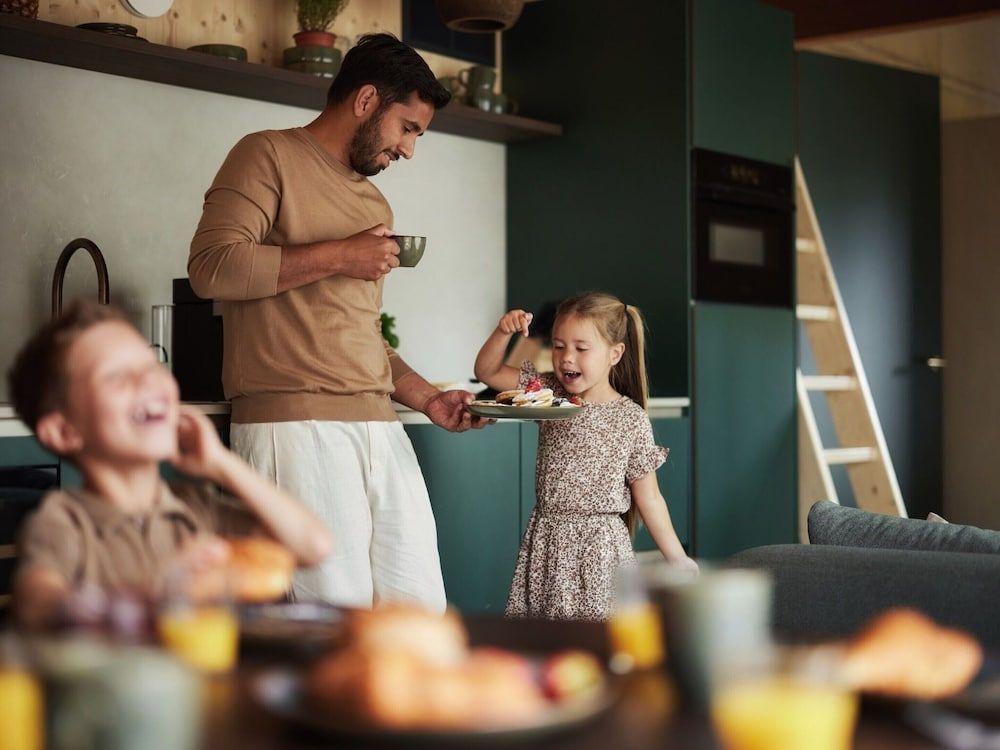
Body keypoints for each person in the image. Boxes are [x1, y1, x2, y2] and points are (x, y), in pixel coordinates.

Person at [187, 33, 487, 612]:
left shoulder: (375, 207)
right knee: (327, 627)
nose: (409, 150)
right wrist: (339, 255)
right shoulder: (266, 153)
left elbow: (360, 330)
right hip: (294, 426)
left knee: (419, 617)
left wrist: (428, 399)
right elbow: (211, 267)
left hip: (379, 425)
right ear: (368, 100)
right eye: (409, 128)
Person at [6, 301, 334, 629]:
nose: (148, 381)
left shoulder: (197, 508)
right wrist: (154, 595)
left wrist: (222, 463)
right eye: (117, 376)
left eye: (152, 367)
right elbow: (38, 604)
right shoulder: (63, 521)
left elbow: (313, 547)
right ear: (65, 431)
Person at [474, 292, 698, 620]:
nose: (566, 358)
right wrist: (503, 332)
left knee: (601, 638)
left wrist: (677, 558)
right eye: (559, 345)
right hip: (548, 541)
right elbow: (488, 370)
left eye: (581, 348)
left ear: (615, 353)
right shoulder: (547, 395)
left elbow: (650, 498)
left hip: (602, 549)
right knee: (548, 641)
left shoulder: (630, 417)